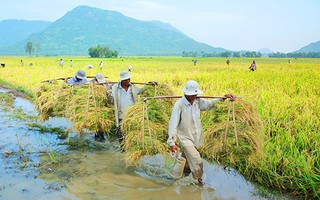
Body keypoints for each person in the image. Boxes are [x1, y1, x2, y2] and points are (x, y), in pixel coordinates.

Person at [167, 80, 236, 184]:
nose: (195, 95)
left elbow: (209, 105)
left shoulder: (197, 101)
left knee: (187, 163)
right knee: (197, 160)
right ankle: (198, 181)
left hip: (195, 137)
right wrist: (171, 142)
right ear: (186, 93)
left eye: (195, 93)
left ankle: (178, 178)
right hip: (185, 139)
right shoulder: (179, 105)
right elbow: (173, 124)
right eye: (192, 94)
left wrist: (222, 98)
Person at [111, 71, 157, 143]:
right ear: (122, 80)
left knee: (132, 134)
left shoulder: (133, 87)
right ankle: (122, 150)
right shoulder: (115, 88)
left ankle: (129, 148)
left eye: (129, 79)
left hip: (132, 115)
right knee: (121, 135)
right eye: (126, 80)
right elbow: (110, 96)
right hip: (121, 115)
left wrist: (149, 84)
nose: (128, 81)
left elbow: (142, 90)